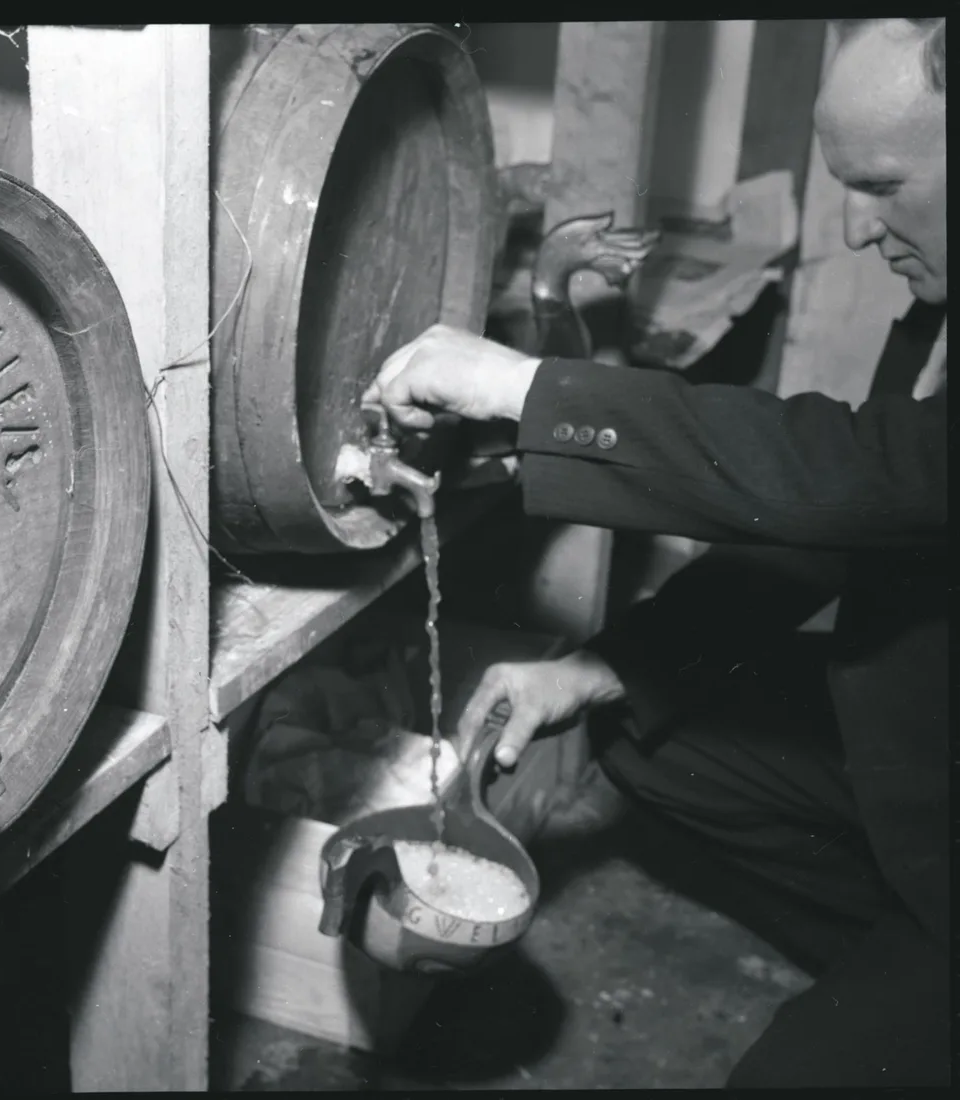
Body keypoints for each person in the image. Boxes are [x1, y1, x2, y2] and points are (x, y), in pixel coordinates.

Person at [362, 18, 947, 1089]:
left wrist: (524, 386)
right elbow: (847, 528)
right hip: (924, 750)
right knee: (643, 721)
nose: (859, 231)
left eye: (880, 183)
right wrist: (597, 664)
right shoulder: (935, 305)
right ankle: (890, 956)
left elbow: (873, 470)